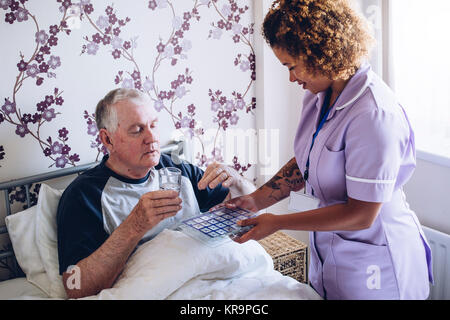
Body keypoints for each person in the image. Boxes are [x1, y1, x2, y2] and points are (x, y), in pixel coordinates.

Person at [221, 0, 433, 300]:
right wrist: (256, 200)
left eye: (291, 66)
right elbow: (309, 161)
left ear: (319, 53)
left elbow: (361, 214)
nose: (291, 78)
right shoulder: (320, 94)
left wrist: (277, 222)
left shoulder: (373, 114)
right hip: (332, 257)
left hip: (378, 267)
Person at [56, 88, 255, 299]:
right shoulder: (85, 195)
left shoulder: (178, 169)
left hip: (216, 285)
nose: (151, 138)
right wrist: (134, 226)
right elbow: (75, 286)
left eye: (153, 125)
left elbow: (252, 211)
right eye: (137, 130)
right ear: (108, 140)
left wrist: (238, 182)